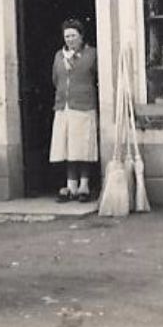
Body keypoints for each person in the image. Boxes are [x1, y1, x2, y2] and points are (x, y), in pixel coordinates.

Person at [51, 18, 100, 203]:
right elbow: (55, 79)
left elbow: (97, 76)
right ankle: (70, 185)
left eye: (73, 36)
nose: (70, 39)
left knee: (83, 147)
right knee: (68, 148)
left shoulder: (91, 54)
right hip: (64, 107)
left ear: (81, 37)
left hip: (84, 106)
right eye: (67, 36)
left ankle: (84, 186)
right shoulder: (59, 56)